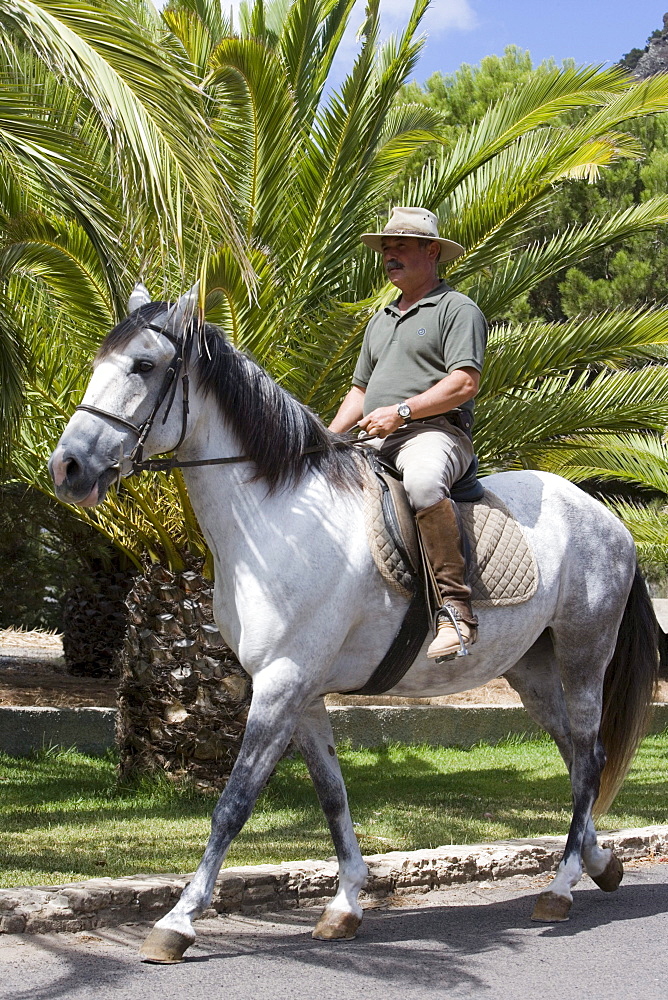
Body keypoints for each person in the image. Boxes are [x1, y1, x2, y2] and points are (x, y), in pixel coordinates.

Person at [329, 207, 487, 659]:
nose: (389, 255)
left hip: (434, 434)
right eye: (385, 248)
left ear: (431, 251)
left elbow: (464, 383)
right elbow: (359, 390)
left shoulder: (457, 309)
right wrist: (326, 439)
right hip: (376, 437)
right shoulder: (379, 320)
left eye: (400, 246)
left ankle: (456, 612)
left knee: (421, 482)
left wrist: (402, 411)